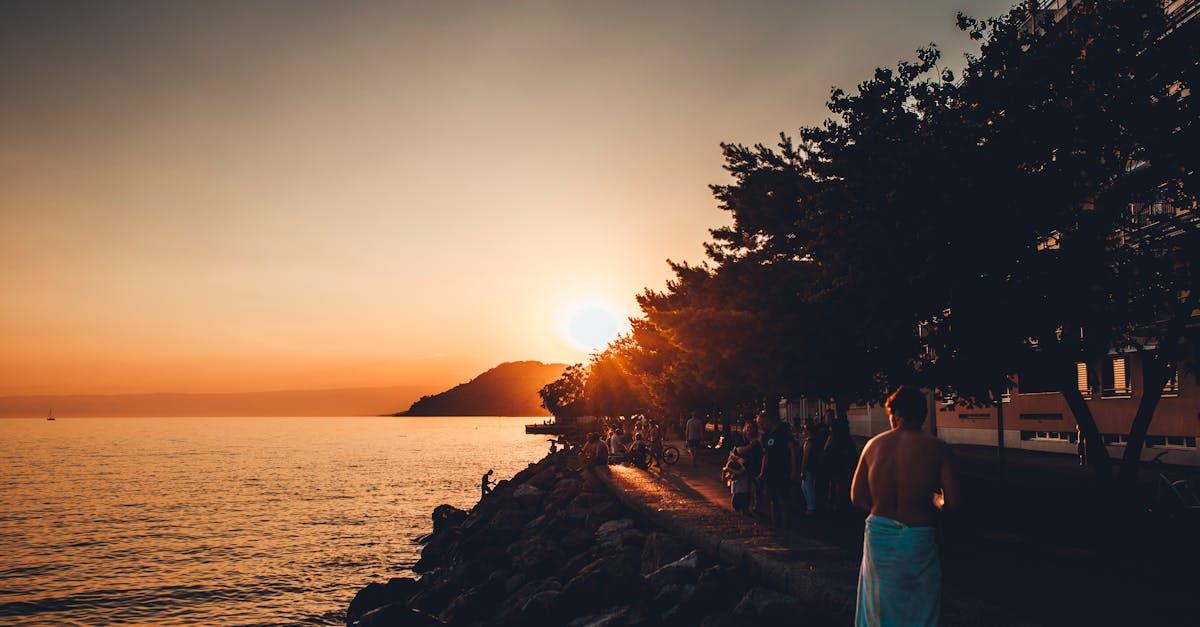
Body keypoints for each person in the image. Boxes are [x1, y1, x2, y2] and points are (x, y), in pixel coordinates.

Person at [851, 386, 958, 627]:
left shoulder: (873, 445)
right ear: (922, 415)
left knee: (878, 602)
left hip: (879, 533)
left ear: (895, 414)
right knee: (921, 603)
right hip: (918, 534)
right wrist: (934, 500)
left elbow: (856, 496)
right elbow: (953, 502)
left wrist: (882, 510)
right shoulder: (938, 448)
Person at [756, 410, 796, 527]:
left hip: (784, 469)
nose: (761, 426)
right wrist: (762, 473)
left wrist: (793, 469)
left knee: (785, 496)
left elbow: (791, 449)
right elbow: (765, 456)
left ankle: (788, 522)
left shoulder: (782, 431)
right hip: (771, 471)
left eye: (762, 424)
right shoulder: (765, 437)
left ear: (767, 420)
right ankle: (776, 522)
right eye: (759, 425)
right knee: (772, 497)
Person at [824, 409, 856, 512]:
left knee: (837, 483)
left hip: (837, 461)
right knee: (837, 483)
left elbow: (828, 447)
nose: (826, 420)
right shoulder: (839, 430)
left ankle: (838, 506)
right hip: (839, 461)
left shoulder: (834, 431)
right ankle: (839, 505)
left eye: (828, 417)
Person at [800, 416, 823, 515]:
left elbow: (805, 458)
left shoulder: (808, 442)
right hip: (814, 466)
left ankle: (811, 507)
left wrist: (802, 470)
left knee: (807, 486)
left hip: (809, 467)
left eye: (804, 429)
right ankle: (811, 505)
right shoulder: (814, 440)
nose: (802, 432)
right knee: (806, 486)